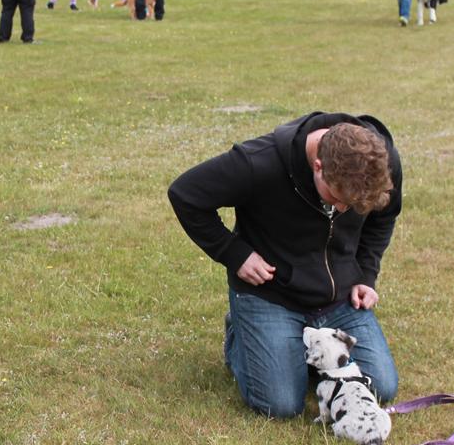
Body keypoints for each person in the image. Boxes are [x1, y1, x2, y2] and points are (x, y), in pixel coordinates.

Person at [168, 112, 403, 418]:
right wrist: (234, 253)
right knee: (279, 404)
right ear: (318, 165)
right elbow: (186, 194)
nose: (345, 210)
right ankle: (242, 336)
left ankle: (297, 345)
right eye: (338, 199)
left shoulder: (380, 162)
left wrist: (366, 276)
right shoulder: (258, 162)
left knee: (381, 387)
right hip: (271, 293)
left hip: (338, 296)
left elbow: (383, 217)